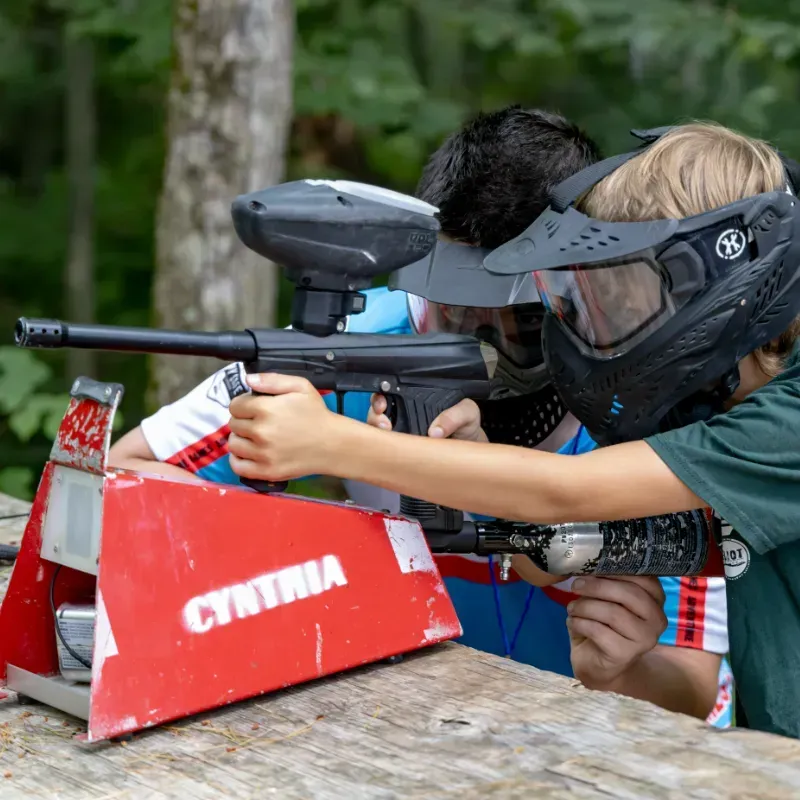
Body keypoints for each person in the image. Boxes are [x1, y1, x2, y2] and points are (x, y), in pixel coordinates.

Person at [107, 108, 730, 725]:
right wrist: (325, 546)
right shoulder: (351, 346)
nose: (485, 348)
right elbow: (123, 478)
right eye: (457, 314)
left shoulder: (654, 399)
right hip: (406, 723)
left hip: (601, 742)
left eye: (523, 324)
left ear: (581, 296)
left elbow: (693, 689)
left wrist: (621, 670)